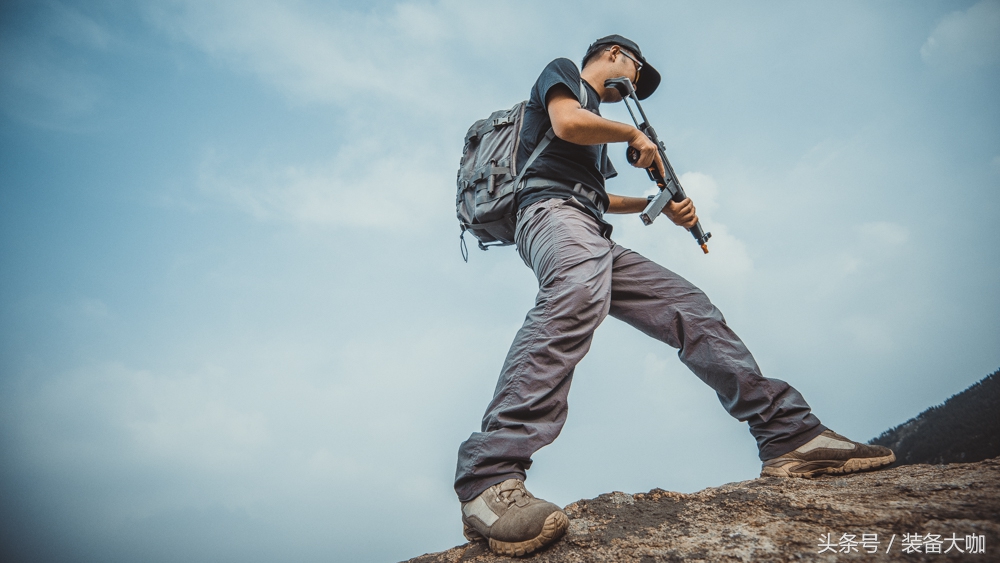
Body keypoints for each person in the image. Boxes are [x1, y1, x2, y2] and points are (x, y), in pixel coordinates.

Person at [454, 34, 895, 557]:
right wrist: (632, 134)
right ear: (614, 55)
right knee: (575, 293)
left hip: (587, 225)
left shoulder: (596, 131)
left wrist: (658, 204)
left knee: (690, 309)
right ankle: (488, 477)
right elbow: (567, 124)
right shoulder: (565, 74)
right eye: (636, 72)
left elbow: (594, 195)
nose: (634, 85)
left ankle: (789, 435)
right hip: (549, 215)